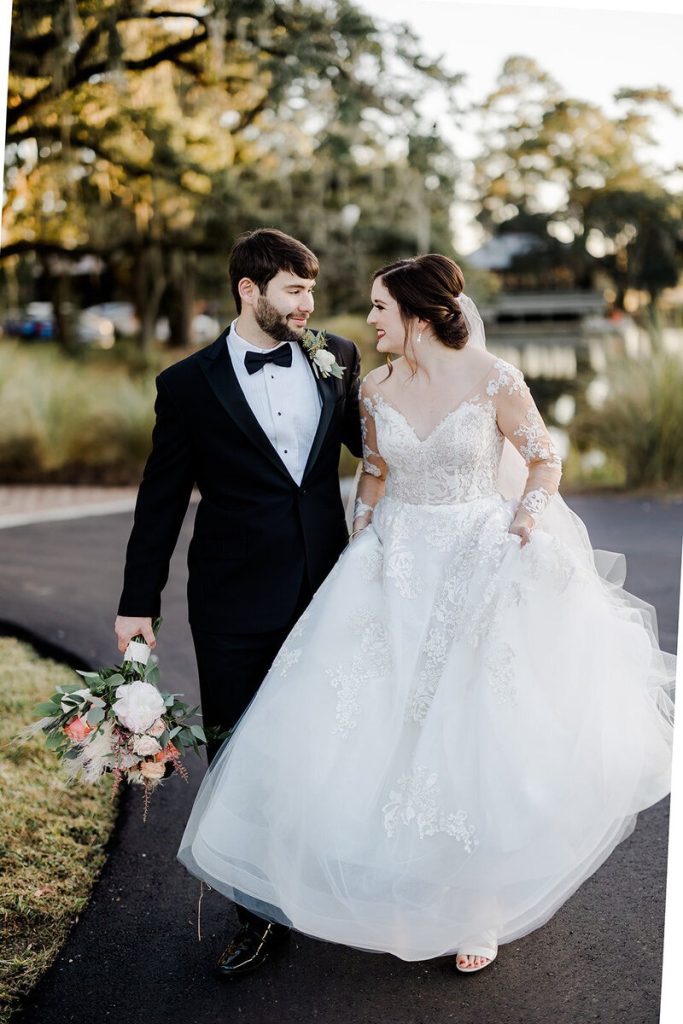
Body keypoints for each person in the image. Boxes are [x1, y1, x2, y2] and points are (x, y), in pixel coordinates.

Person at [178, 254, 674, 974]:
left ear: (414, 312)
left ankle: (479, 911)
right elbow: (375, 470)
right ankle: (392, 885)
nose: (369, 319)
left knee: (474, 730)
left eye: (379, 307)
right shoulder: (374, 387)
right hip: (394, 560)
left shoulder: (493, 378)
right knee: (380, 726)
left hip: (478, 554)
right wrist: (363, 529)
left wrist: (526, 522)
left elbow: (542, 458)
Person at [114, 228, 363, 976]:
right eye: (292, 290)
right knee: (238, 749)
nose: (306, 304)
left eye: (309, 290)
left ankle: (339, 878)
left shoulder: (337, 357)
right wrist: (137, 601)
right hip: (230, 597)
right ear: (248, 291)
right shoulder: (186, 385)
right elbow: (159, 501)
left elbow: (377, 451)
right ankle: (256, 912)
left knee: (339, 736)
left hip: (330, 587)